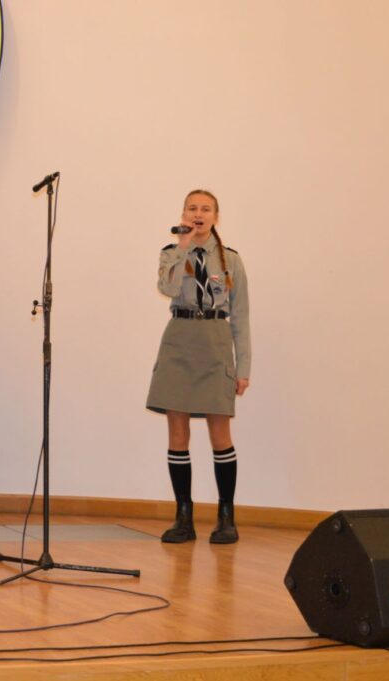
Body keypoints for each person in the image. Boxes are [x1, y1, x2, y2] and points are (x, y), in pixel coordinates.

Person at [146, 189, 251, 545]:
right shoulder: (171, 252)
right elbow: (168, 286)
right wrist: (183, 245)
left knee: (220, 436)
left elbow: (241, 317)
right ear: (183, 213)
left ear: (216, 217)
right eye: (192, 208)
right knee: (178, 435)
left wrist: (243, 367)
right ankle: (183, 517)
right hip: (179, 342)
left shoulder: (231, 260)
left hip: (216, 344)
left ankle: (226, 517)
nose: (198, 213)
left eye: (205, 209)